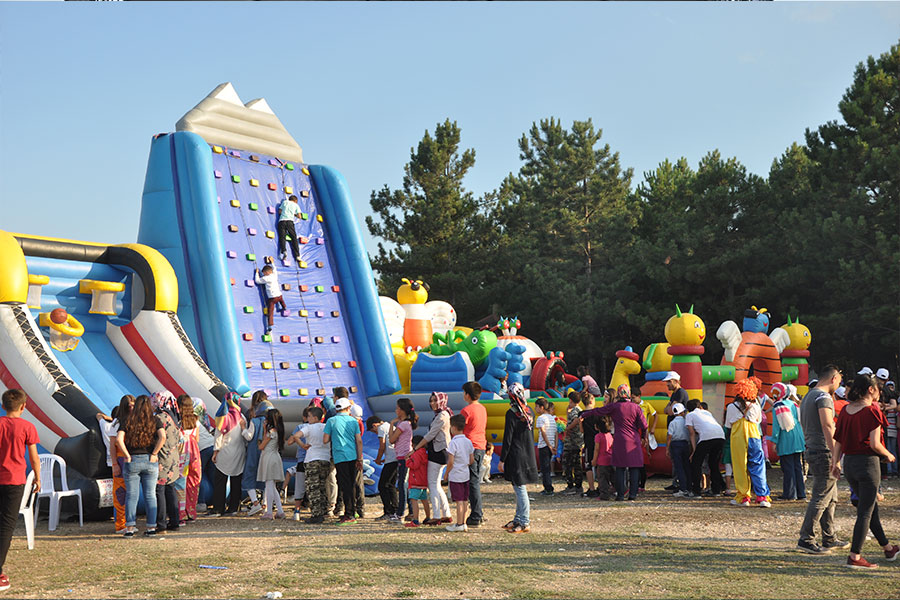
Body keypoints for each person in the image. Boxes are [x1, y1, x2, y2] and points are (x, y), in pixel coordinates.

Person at [831, 373, 899, 569]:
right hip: (868, 464)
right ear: (871, 389)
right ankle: (855, 556)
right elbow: (876, 444)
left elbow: (839, 441)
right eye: (877, 388)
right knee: (865, 512)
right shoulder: (872, 411)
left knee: (869, 509)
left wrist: (835, 463)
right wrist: (889, 455)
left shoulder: (845, 411)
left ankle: (888, 548)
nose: (880, 392)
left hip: (850, 464)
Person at [797, 365, 848, 554]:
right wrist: (836, 455)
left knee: (830, 496)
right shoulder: (824, 397)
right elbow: (828, 425)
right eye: (840, 381)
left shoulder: (808, 396)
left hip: (813, 448)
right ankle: (806, 538)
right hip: (823, 451)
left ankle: (829, 536)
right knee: (821, 496)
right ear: (834, 379)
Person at [0, 389, 40, 592]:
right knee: (6, 526)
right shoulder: (27, 427)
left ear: (3, 405)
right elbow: (33, 457)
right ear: (23, 407)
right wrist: (38, 477)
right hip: (14, 481)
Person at [582, 384, 648, 501]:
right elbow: (644, 425)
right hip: (634, 440)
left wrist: (584, 414)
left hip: (620, 440)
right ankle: (632, 494)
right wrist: (643, 436)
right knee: (634, 468)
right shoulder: (636, 407)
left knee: (620, 468)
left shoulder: (615, 407)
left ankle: (621, 495)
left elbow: (599, 411)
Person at [116, 395, 165, 537]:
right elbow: (163, 437)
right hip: (150, 460)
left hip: (132, 461)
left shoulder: (127, 420)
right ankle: (151, 528)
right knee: (150, 495)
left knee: (131, 495)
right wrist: (155, 453)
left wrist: (127, 455)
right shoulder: (155, 420)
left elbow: (119, 439)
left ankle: (130, 528)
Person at [499, 383, 539, 533]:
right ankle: (518, 518)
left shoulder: (512, 413)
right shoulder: (529, 413)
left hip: (516, 455)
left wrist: (502, 459)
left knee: (520, 489)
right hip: (527, 454)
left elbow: (507, 438)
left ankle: (524, 521)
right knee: (518, 488)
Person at [725, 379, 771, 507]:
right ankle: (762, 497)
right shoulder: (756, 406)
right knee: (757, 465)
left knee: (740, 466)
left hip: (738, 436)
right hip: (754, 435)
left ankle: (744, 497)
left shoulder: (731, 407)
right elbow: (758, 421)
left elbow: (728, 425)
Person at [413, 392, 452, 526]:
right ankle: (446, 514)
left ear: (442, 401)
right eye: (431, 401)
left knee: (432, 484)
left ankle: (436, 515)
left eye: (435, 400)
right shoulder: (442, 414)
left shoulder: (442, 415)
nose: (432, 403)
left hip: (438, 452)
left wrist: (416, 448)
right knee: (436, 484)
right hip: (440, 451)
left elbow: (430, 435)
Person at [323, 397, 363, 525]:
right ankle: (353, 510)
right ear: (348, 408)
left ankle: (349, 514)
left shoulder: (331, 421)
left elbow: (325, 439)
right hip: (353, 456)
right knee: (352, 484)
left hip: (340, 456)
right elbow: (359, 441)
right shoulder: (353, 421)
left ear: (336, 409)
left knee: (345, 485)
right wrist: (360, 458)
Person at [99, 395, 134, 533]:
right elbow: (113, 446)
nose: (131, 408)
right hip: (121, 460)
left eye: (133, 405)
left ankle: (130, 521)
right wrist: (115, 463)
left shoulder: (135, 421)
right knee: (121, 492)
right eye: (129, 406)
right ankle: (121, 524)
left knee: (132, 492)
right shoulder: (117, 423)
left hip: (132, 459)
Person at [292, 405, 330, 524]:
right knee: (323, 486)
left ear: (314, 417)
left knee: (313, 488)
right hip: (325, 459)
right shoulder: (326, 427)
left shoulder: (309, 428)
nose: (307, 419)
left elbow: (296, 436)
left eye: (309, 416)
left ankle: (316, 514)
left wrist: (303, 446)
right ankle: (324, 511)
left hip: (312, 459)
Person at [211, 392, 247, 517]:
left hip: (225, 452)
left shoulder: (223, 417)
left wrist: (215, 452)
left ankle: (218, 508)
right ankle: (233, 507)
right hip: (239, 452)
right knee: (236, 480)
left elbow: (218, 436)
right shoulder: (242, 417)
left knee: (220, 481)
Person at [151, 391, 182, 532]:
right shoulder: (173, 417)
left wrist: (153, 452)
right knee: (170, 489)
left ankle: (161, 523)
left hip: (162, 457)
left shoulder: (159, 418)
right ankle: (175, 521)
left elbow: (158, 437)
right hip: (174, 457)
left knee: (160, 490)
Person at [770, 382, 806, 501]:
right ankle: (801, 493)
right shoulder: (794, 404)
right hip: (798, 436)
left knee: (788, 467)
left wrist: (774, 441)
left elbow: (777, 426)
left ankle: (790, 494)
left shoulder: (778, 406)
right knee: (797, 466)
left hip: (786, 438)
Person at [684, 399, 726, 498]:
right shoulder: (707, 412)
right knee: (713, 463)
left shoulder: (690, 415)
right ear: (700, 407)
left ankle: (696, 491)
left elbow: (692, 433)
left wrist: (694, 450)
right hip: (720, 436)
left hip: (707, 438)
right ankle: (716, 490)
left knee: (696, 463)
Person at [460, 381, 487, 528]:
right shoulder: (482, 409)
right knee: (474, 480)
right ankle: (478, 513)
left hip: (470, 447)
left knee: (473, 482)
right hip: (480, 445)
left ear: (467, 394)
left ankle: (476, 514)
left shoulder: (467, 411)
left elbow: (460, 428)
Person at [242, 392, 273, 517]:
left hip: (253, 451)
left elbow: (249, 436)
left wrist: (243, 428)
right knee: (265, 478)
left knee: (249, 476)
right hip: (266, 451)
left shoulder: (254, 420)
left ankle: (255, 503)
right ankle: (265, 504)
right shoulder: (270, 421)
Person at [444, 414, 474, 532]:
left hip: (455, 474)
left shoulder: (453, 443)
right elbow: (471, 460)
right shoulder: (468, 442)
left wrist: (446, 473)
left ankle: (459, 523)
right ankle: (464, 522)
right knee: (465, 499)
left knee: (459, 501)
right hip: (465, 474)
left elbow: (450, 461)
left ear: (454, 427)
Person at [389, 398, 417, 522]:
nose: (396, 410)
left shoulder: (404, 424)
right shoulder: (406, 423)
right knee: (405, 485)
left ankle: (400, 513)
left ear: (402, 410)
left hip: (403, 457)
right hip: (404, 455)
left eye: (397, 408)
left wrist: (391, 424)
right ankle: (410, 512)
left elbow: (391, 439)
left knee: (402, 485)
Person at [367, 415, 399, 522]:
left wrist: (378, 459)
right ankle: (395, 509)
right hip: (396, 458)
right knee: (391, 485)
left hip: (391, 460)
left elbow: (382, 446)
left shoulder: (381, 428)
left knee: (382, 485)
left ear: (374, 425)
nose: (375, 433)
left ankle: (388, 511)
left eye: (373, 431)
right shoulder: (389, 426)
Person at [256, 408, 286, 519]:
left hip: (268, 457)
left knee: (269, 484)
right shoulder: (278, 431)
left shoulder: (270, 432)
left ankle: (269, 512)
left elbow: (261, 446)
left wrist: (264, 430)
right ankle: (280, 510)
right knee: (272, 485)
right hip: (275, 456)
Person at [177, 395, 202, 521]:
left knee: (180, 483)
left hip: (181, 453)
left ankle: (181, 512)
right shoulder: (195, 420)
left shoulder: (177, 421)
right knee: (193, 481)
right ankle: (191, 511)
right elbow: (196, 439)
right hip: (194, 453)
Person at [632, 391, 658, 492]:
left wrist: (653, 427)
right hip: (634, 430)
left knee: (642, 458)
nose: (633, 400)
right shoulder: (631, 405)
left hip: (643, 430)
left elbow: (655, 415)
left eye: (634, 397)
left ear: (639, 396)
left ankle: (641, 485)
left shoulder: (646, 405)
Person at [404, 435, 431, 527]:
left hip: (415, 481)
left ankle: (415, 520)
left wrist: (407, 461)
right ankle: (428, 517)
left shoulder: (416, 454)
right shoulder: (424, 453)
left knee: (414, 500)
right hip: (423, 480)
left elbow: (415, 465)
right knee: (424, 500)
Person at [666, 403, 692, 497]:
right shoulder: (685, 421)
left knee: (679, 467)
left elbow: (669, 436)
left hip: (675, 444)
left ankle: (682, 488)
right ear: (682, 412)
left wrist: (667, 449)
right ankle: (689, 487)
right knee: (687, 467)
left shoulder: (672, 423)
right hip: (685, 444)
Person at [561, 391, 584, 495]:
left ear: (571, 400)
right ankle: (577, 486)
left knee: (568, 464)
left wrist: (567, 428)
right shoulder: (577, 409)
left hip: (573, 443)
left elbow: (575, 420)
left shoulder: (575, 410)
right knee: (576, 464)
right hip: (577, 442)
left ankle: (572, 486)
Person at [254, 265, 286, 334]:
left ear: (267, 272)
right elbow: (274, 268)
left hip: (272, 298)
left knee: (270, 312)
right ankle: (284, 307)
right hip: (279, 295)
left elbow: (258, 281)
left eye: (264, 273)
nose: (264, 274)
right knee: (281, 301)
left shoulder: (266, 278)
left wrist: (256, 273)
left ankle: (269, 326)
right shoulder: (274, 275)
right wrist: (272, 262)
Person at [535, 398, 557, 495]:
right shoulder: (552, 418)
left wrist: (548, 445)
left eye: (536, 406)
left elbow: (543, 432)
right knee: (547, 467)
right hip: (551, 445)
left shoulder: (541, 418)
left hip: (544, 445)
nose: (535, 408)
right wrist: (554, 446)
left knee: (545, 468)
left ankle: (548, 488)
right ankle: (548, 487)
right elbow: (556, 433)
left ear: (542, 407)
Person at [580, 392, 600, 497]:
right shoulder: (597, 413)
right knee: (599, 464)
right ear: (592, 401)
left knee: (588, 465)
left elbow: (582, 430)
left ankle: (591, 488)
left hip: (588, 441)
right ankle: (601, 486)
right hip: (598, 440)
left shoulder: (581, 414)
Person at [591, 416, 615, 500]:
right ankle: (619, 489)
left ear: (598, 427)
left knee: (602, 479)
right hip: (610, 459)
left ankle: (604, 495)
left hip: (602, 461)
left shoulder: (598, 436)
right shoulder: (609, 435)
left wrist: (594, 460)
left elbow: (596, 449)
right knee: (613, 477)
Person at [276, 194, 302, 263]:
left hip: (282, 221)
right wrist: (294, 214)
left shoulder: (284, 202)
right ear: (295, 201)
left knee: (282, 237)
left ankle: (284, 251)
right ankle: (297, 255)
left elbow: (280, 211)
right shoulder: (296, 205)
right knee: (294, 238)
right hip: (290, 222)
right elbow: (299, 216)